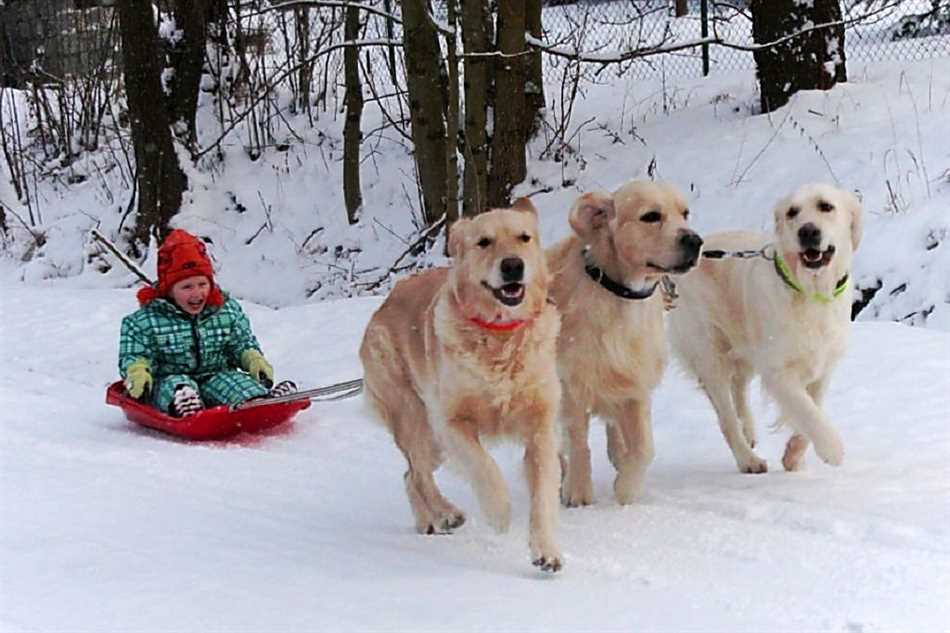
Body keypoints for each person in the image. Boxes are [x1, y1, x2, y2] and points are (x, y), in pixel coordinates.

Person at [118, 229, 295, 417]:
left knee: (233, 382)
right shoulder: (144, 321)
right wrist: (137, 371)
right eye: (187, 287)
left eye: (202, 285)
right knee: (176, 386)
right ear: (169, 290)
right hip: (169, 379)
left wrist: (252, 359)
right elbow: (134, 354)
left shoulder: (226, 311)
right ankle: (186, 404)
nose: (197, 293)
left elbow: (241, 343)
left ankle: (259, 401)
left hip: (215, 375)